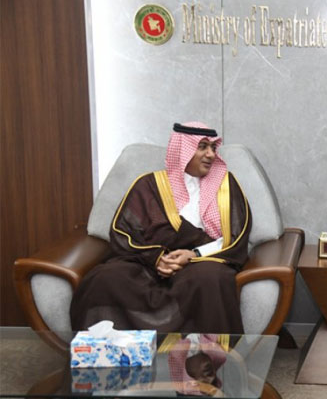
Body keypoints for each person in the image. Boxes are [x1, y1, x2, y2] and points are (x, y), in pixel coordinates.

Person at [70, 122, 251, 334]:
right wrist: (156, 258)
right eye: (202, 147)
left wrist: (193, 254)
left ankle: (203, 353)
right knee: (105, 278)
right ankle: (114, 350)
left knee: (210, 280)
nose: (211, 154)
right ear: (182, 150)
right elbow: (122, 232)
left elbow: (236, 237)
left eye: (213, 147)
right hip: (148, 260)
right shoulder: (148, 185)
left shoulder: (225, 186)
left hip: (202, 261)